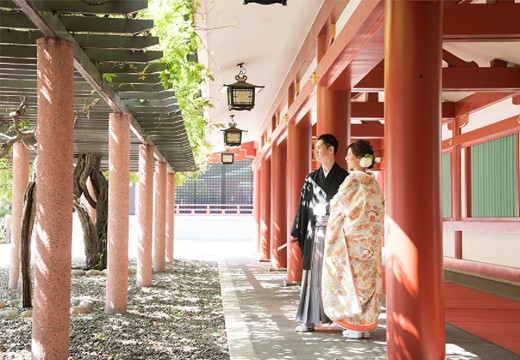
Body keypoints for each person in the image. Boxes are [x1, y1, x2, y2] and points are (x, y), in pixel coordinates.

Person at [321, 139, 385, 339]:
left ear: (358, 158)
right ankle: (365, 326)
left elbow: (338, 205)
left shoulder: (353, 179)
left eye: (349, 154)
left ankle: (354, 325)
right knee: (368, 280)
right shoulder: (373, 182)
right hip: (370, 241)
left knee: (352, 279)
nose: (347, 157)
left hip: (353, 241)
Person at [291, 134, 349, 332]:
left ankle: (340, 318)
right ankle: (309, 320)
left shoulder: (345, 178)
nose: (315, 151)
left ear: (331, 149)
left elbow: (349, 207)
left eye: (319, 147)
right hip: (314, 232)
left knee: (336, 275)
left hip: (336, 234)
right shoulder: (311, 178)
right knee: (313, 275)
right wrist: (296, 230)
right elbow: (302, 207)